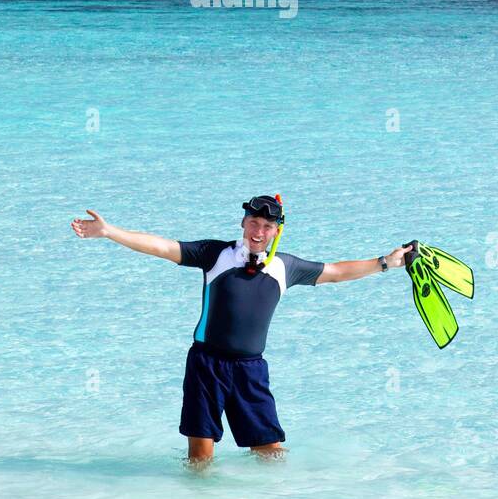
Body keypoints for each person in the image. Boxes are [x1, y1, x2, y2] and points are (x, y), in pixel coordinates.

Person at [71, 194, 411, 464]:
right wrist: (109, 231)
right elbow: (162, 247)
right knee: (200, 457)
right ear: (243, 223)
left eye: (266, 225)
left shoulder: (284, 267)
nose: (258, 231)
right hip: (206, 365)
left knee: (271, 453)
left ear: (276, 231)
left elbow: (336, 271)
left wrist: (386, 263)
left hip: (251, 370)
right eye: (253, 222)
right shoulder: (215, 254)